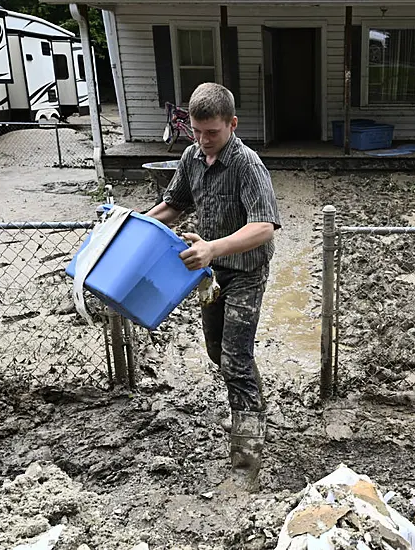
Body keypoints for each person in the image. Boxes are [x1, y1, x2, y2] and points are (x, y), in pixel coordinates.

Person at [145, 82, 281, 492]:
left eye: (213, 133)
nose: (204, 141)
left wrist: (212, 248)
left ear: (232, 124)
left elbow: (264, 226)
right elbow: (174, 204)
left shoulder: (247, 164)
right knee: (217, 351)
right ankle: (254, 406)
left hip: (244, 271)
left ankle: (246, 456)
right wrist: (132, 228)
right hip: (210, 274)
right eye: (197, 131)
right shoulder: (191, 157)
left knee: (236, 358)